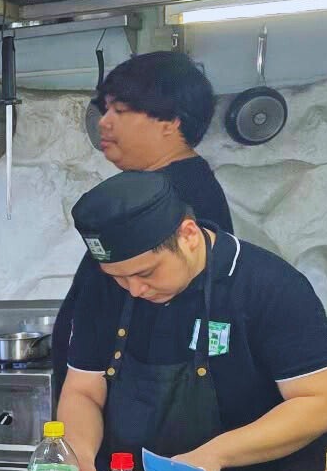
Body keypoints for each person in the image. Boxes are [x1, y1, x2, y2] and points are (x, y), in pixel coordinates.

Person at [55, 169, 327, 471]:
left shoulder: (269, 285)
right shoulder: (101, 286)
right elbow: (84, 391)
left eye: (146, 272)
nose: (134, 289)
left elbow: (323, 403)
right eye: (119, 278)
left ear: (189, 235)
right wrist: (78, 452)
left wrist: (215, 454)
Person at [53, 52, 232, 399]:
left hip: (136, 404)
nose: (103, 122)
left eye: (119, 111)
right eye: (105, 110)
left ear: (170, 122)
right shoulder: (173, 186)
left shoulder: (172, 198)